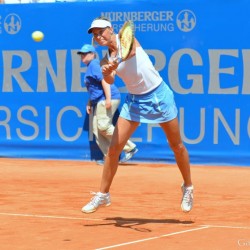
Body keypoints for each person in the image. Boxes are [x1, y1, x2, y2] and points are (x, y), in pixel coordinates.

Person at [81, 17, 194, 214]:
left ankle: (188, 187)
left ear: (110, 29)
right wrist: (107, 71)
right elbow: (109, 79)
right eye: (95, 35)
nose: (98, 36)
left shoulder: (128, 38)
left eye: (100, 32)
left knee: (176, 146)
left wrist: (114, 63)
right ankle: (103, 194)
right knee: (114, 148)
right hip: (135, 101)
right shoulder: (105, 59)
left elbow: (130, 52)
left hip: (159, 95)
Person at [78, 44, 138, 165]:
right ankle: (111, 158)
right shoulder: (91, 66)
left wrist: (108, 99)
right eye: (81, 54)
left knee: (103, 127)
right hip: (100, 99)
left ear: (93, 54)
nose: (82, 56)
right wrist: (90, 101)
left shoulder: (94, 64)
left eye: (85, 53)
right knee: (96, 129)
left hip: (106, 98)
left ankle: (130, 147)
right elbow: (95, 88)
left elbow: (104, 81)